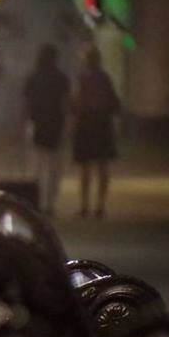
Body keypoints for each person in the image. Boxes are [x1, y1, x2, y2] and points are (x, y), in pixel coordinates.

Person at [70, 44, 121, 218]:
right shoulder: (105, 78)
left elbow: (78, 101)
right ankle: (100, 205)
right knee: (102, 166)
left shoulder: (82, 78)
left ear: (86, 60)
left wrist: (74, 121)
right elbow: (114, 101)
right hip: (102, 123)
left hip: (87, 123)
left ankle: (84, 205)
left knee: (85, 167)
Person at [21, 44, 71, 215]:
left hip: (36, 125)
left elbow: (26, 104)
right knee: (54, 168)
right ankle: (49, 204)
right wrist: (68, 125)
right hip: (56, 125)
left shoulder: (33, 78)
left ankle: (34, 202)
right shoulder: (61, 78)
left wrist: (20, 124)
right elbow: (66, 103)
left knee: (36, 166)